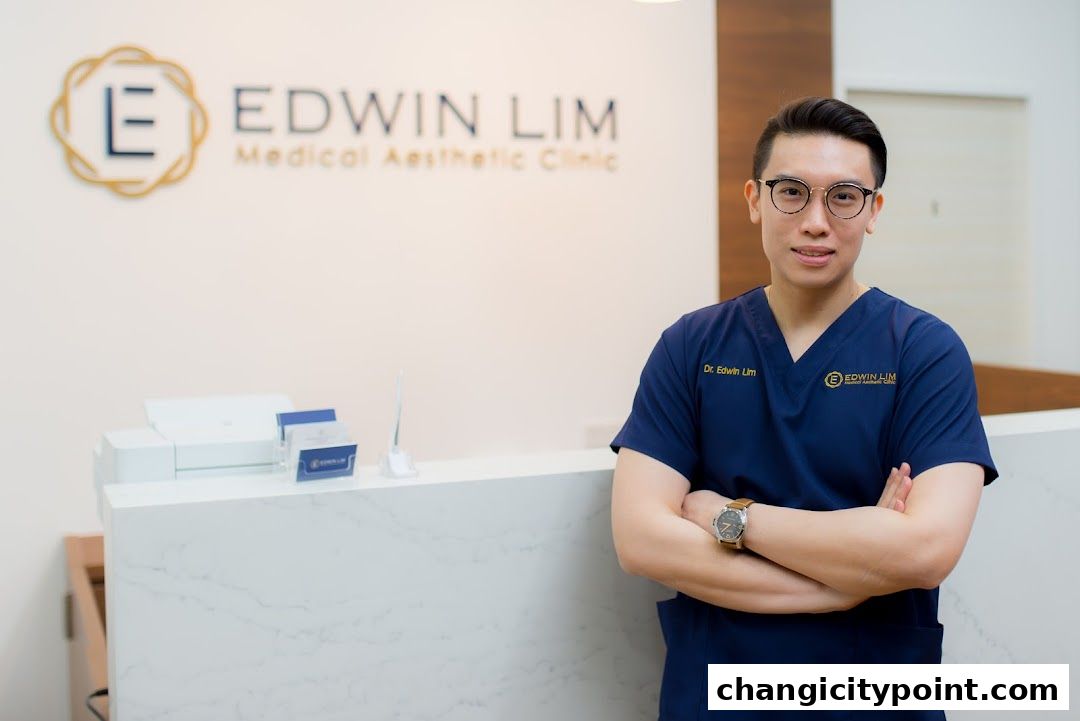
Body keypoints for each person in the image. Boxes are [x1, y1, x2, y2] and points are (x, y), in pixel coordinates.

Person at [609, 96, 998, 720]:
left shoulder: (924, 351)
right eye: (791, 192)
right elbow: (641, 540)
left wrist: (728, 517)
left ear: (874, 211)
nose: (816, 221)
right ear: (754, 199)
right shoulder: (692, 345)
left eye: (844, 196)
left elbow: (925, 550)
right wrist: (838, 587)